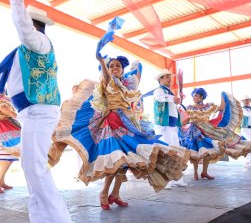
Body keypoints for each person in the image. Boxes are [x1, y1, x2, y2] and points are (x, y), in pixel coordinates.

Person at [48, 52, 190, 211]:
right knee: (116, 160)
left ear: (123, 70)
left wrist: (137, 66)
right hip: (111, 124)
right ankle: (103, 193)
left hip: (128, 123)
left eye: (118, 66)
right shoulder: (107, 82)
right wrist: (102, 62)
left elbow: (136, 78)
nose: (115, 68)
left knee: (126, 162)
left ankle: (114, 194)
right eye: (111, 66)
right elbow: (108, 79)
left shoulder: (127, 84)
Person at [0, 0, 71, 222]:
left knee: (35, 168)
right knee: (31, 167)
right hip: (31, 112)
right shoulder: (21, 53)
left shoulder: (40, 42)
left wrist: (16, 1)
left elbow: (23, 27)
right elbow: (3, 79)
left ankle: (57, 219)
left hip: (39, 110)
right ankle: (42, 218)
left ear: (31, 23)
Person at [180, 88, 251, 179]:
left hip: (207, 130)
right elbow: (186, 119)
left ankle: (204, 172)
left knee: (207, 152)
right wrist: (179, 126)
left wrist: (223, 95)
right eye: (193, 96)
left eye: (196, 95)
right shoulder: (189, 107)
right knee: (195, 151)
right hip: (193, 130)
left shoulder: (208, 106)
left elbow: (222, 108)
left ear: (201, 97)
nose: (194, 97)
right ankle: (195, 173)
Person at [153, 69, 188, 187]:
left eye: (170, 77)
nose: (170, 79)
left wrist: (177, 100)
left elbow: (171, 104)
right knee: (166, 152)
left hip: (172, 126)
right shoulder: (159, 91)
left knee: (176, 152)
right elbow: (161, 98)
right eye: (167, 77)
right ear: (161, 79)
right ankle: (166, 180)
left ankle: (177, 179)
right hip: (163, 127)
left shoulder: (170, 92)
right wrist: (174, 99)